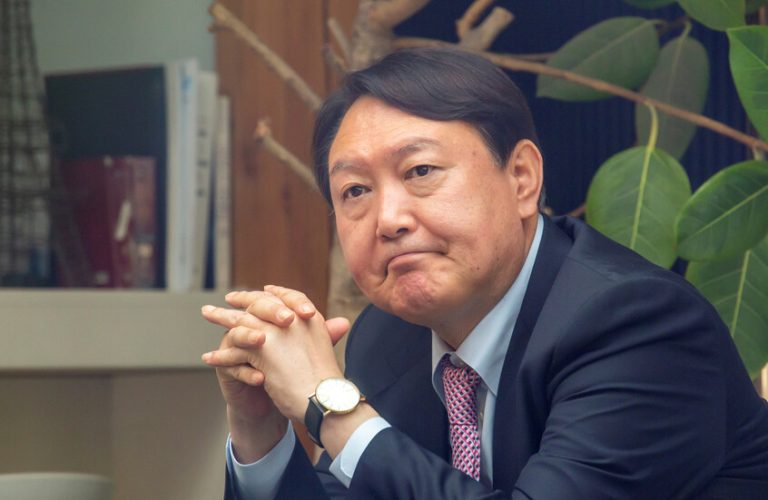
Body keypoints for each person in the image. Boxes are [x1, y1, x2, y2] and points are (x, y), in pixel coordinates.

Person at [201, 47, 768, 499]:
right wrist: (259, 431)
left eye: (420, 171)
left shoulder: (637, 324)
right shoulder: (386, 336)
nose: (388, 219)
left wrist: (331, 408)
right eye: (355, 191)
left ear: (521, 178)